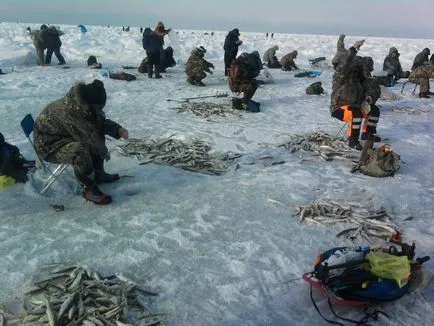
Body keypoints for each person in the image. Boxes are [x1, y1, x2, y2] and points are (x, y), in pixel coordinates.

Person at [33, 80, 129, 205]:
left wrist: (117, 129)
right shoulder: (70, 112)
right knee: (80, 149)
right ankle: (88, 188)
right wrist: (104, 152)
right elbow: (89, 135)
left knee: (93, 138)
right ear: (91, 104)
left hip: (63, 136)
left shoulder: (84, 104)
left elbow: (99, 122)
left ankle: (98, 173)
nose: (99, 110)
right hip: (48, 146)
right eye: (98, 107)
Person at [330, 40, 381, 150]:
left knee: (374, 110)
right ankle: (352, 140)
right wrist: (353, 49)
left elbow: (373, 88)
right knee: (356, 112)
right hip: (340, 108)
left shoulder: (360, 79)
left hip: (358, 106)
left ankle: (367, 134)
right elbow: (344, 65)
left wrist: (370, 97)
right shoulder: (340, 75)